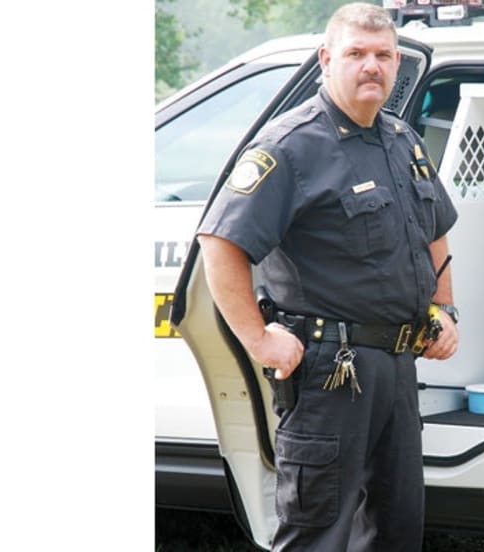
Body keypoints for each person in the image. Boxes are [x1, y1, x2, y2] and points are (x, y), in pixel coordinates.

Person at [195, 3, 459, 550]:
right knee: (318, 534)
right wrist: (258, 340)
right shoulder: (291, 146)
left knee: (396, 531)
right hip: (329, 376)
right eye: (356, 53)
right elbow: (220, 244)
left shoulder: (402, 140)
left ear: (396, 63)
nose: (372, 66)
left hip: (397, 369)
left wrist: (444, 309)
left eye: (383, 54)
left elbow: (436, 229)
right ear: (326, 59)